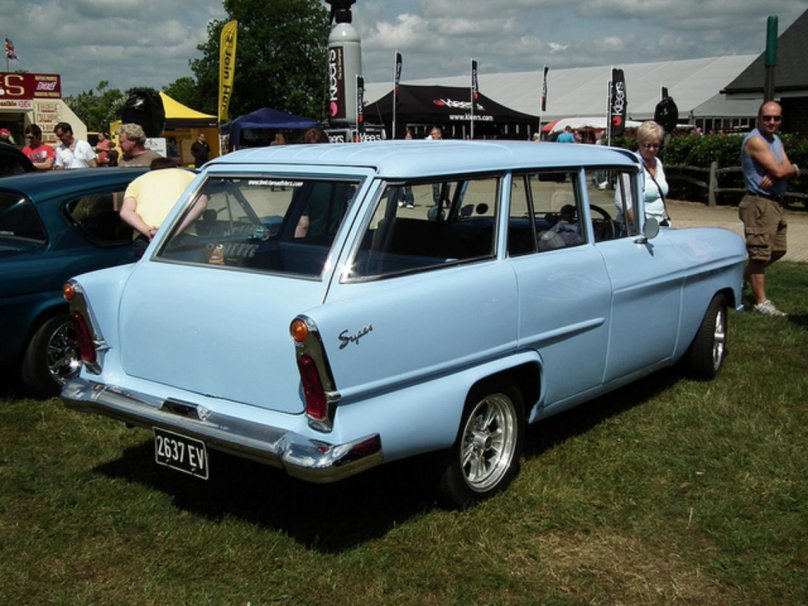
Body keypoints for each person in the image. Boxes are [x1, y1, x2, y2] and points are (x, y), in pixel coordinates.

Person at [739, 100, 800, 317]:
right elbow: (781, 169)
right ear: (759, 118)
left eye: (776, 118)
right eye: (767, 117)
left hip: (775, 202)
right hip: (759, 203)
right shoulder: (755, 140)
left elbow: (785, 167)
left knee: (778, 249)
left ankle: (740, 280)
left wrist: (787, 169)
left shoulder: (775, 140)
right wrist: (788, 170)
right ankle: (760, 302)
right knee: (760, 255)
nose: (771, 122)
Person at [119, 157, 197, 258]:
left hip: (147, 239)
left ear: (151, 170)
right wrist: (171, 231)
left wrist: (149, 232)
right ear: (175, 168)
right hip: (184, 235)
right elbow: (200, 204)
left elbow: (126, 212)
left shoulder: (137, 181)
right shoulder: (190, 176)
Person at [614, 120, 670, 229]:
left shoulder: (658, 162)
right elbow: (621, 201)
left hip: (659, 224)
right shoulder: (630, 164)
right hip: (638, 227)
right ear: (639, 143)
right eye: (647, 145)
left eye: (656, 145)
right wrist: (639, 225)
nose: (652, 149)